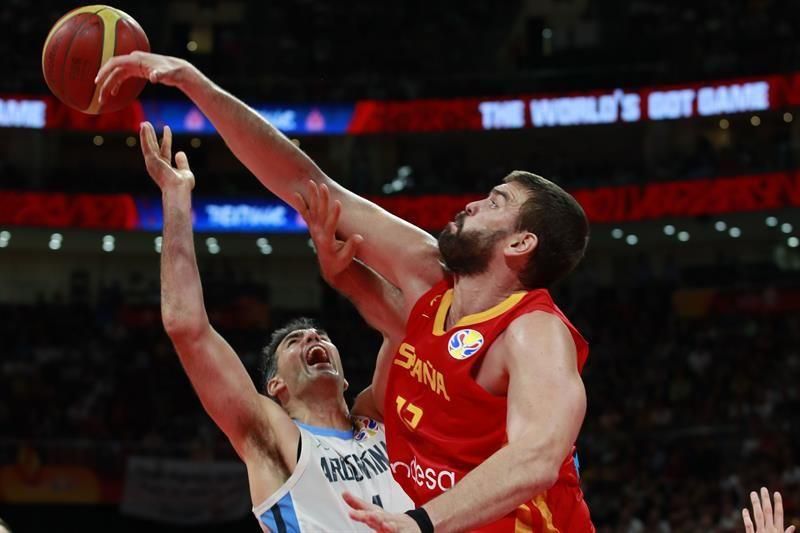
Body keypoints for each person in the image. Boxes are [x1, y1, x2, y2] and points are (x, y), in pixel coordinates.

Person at [98, 52, 593, 532]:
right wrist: (196, 85)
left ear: (521, 242)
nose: (471, 204)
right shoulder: (427, 288)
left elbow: (537, 458)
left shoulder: (535, 333)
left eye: (494, 203)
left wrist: (419, 522)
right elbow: (309, 185)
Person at [138, 122, 412, 532]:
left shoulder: (380, 416)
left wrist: (347, 262)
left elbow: (404, 323)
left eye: (320, 336)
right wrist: (176, 199)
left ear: (345, 377)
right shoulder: (270, 433)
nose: (312, 337)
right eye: (293, 342)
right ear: (276, 386)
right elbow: (186, 327)